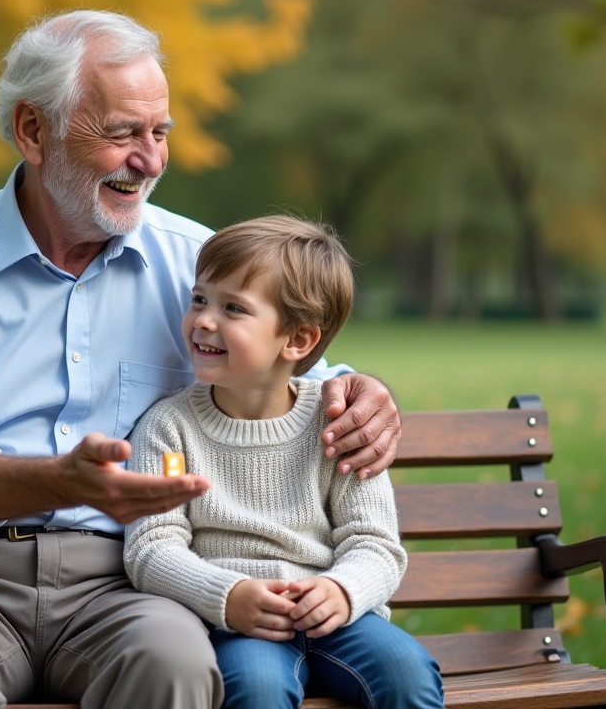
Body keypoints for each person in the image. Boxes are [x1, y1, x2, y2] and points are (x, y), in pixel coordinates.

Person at [0, 9, 402, 709]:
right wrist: (66, 482)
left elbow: (305, 371)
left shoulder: (195, 265)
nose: (150, 160)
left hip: (127, 581)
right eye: (122, 135)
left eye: (159, 132)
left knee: (173, 663)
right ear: (33, 132)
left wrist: (367, 394)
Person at [124, 216, 443, 709]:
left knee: (407, 673)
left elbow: (375, 542)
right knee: (258, 688)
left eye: (234, 308)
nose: (204, 320)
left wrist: (341, 590)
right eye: (200, 299)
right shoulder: (170, 429)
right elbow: (152, 546)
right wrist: (228, 595)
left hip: (339, 617)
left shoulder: (337, 424)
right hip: (240, 622)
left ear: (296, 341)